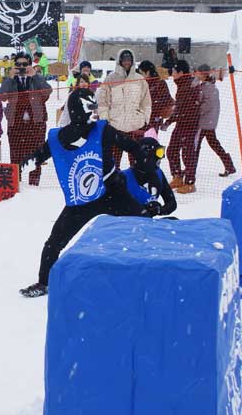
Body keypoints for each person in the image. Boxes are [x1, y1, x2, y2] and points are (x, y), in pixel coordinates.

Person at [19, 88, 147, 298]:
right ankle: (44, 282)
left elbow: (132, 146)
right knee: (55, 241)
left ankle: (155, 266)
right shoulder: (59, 137)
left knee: (144, 223)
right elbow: (37, 157)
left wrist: (143, 161)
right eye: (91, 107)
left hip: (112, 191)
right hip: (82, 199)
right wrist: (20, 167)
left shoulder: (102, 130)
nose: (95, 112)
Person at [0, 52, 52, 185]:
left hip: (36, 123)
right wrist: (9, 78)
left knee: (36, 154)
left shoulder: (36, 79)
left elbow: (47, 91)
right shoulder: (11, 81)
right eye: (18, 64)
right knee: (15, 154)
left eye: (25, 64)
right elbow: (0, 96)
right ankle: (16, 183)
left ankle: (34, 183)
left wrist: (35, 75)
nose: (21, 67)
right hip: (16, 123)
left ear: (30, 65)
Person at [96, 49, 152, 169]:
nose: (127, 62)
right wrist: (106, 120)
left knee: (138, 162)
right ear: (120, 61)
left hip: (135, 127)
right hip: (115, 127)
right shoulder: (110, 79)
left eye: (129, 60)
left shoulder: (140, 79)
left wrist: (144, 119)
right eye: (124, 60)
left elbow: (146, 103)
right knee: (113, 163)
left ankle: (136, 185)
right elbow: (102, 103)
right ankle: (114, 186)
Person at [164, 60, 202, 193]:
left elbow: (184, 109)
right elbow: (179, 109)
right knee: (172, 151)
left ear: (181, 72)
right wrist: (170, 120)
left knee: (188, 153)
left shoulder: (189, 86)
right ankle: (177, 177)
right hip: (182, 124)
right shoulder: (182, 85)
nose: (172, 74)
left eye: (174, 71)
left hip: (190, 125)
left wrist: (171, 120)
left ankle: (190, 183)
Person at [121, 136, 177, 217]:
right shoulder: (124, 177)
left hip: (147, 224)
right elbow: (115, 208)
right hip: (127, 224)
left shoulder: (159, 173)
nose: (160, 158)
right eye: (158, 153)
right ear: (146, 155)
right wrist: (142, 210)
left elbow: (172, 202)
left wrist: (159, 210)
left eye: (161, 153)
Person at [196, 64, 236, 177]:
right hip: (209, 121)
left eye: (198, 72)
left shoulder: (207, 87)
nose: (196, 74)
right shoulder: (208, 85)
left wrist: (196, 110)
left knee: (195, 145)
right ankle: (229, 165)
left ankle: (190, 168)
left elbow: (208, 105)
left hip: (205, 122)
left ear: (203, 74)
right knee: (213, 143)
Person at [137, 60, 173, 133]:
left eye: (141, 73)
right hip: (139, 120)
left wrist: (150, 106)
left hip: (153, 120)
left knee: (150, 140)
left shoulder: (159, 84)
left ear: (148, 72)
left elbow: (166, 101)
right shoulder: (140, 83)